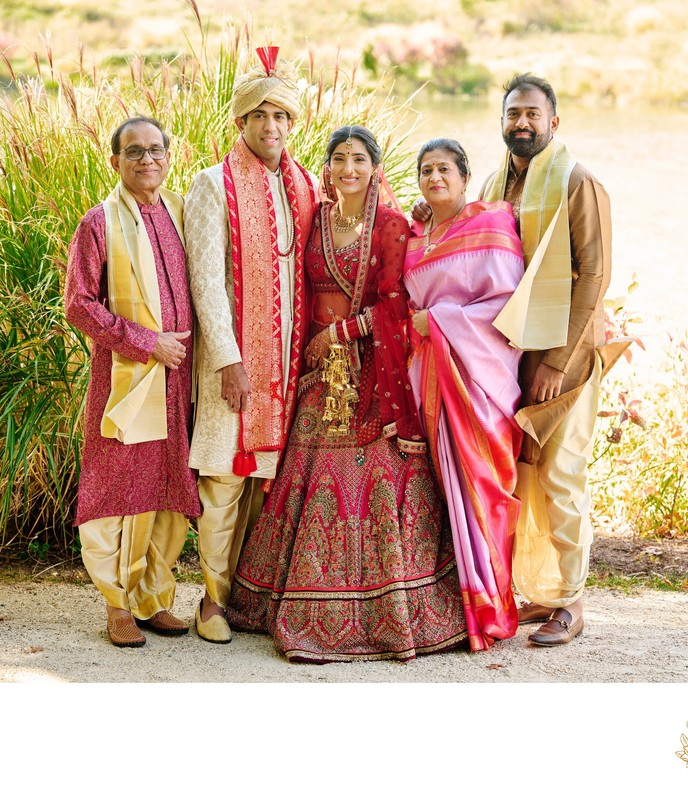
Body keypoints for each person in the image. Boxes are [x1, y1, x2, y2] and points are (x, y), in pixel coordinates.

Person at [226, 126, 467, 662]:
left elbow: (397, 304)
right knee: (308, 479)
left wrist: (340, 334)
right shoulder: (314, 220)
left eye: (359, 159)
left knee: (372, 479)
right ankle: (293, 603)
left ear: (374, 167)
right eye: (339, 160)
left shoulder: (391, 225)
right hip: (316, 377)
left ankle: (383, 612)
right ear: (328, 167)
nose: (349, 169)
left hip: (369, 373)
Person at [184, 47, 317, 643]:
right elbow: (206, 280)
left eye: (281, 118)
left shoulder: (305, 186)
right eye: (259, 117)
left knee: (269, 483)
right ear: (239, 123)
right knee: (223, 481)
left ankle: (249, 596)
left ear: (292, 125)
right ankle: (211, 600)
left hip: (286, 368)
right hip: (233, 366)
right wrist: (230, 360)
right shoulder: (212, 185)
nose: (271, 128)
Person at [481, 74, 617, 646]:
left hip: (565, 357)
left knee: (562, 475)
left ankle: (572, 602)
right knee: (525, 478)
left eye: (533, 114)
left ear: (553, 122)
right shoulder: (493, 184)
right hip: (510, 355)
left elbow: (595, 275)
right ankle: (541, 590)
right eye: (514, 113)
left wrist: (558, 362)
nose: (522, 123)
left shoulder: (577, 182)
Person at [64, 116, 199, 648]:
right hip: (129, 377)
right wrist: (148, 343)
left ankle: (153, 598)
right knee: (119, 486)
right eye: (134, 151)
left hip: (177, 378)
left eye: (155, 149)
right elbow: (79, 304)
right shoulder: (98, 223)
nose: (147, 159)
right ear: (114, 161)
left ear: (169, 156)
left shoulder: (180, 212)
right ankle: (117, 604)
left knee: (168, 487)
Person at [404, 139, 525, 652]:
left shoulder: (492, 225)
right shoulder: (414, 237)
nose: (435, 177)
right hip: (427, 378)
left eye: (445, 169)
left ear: (464, 175)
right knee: (436, 491)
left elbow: (506, 307)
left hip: (477, 382)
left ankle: (490, 603)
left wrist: (437, 320)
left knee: (483, 488)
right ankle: (453, 605)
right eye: (426, 170)